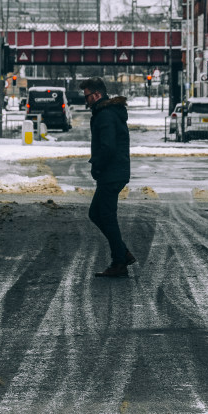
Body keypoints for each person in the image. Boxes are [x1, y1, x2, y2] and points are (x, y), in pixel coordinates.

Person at [80, 77, 136, 278]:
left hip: (111, 173)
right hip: (115, 172)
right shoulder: (108, 112)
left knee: (105, 215)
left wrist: (98, 166)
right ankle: (122, 253)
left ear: (96, 95)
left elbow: (108, 147)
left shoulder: (105, 115)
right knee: (97, 213)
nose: (85, 101)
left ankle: (119, 261)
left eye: (87, 96)